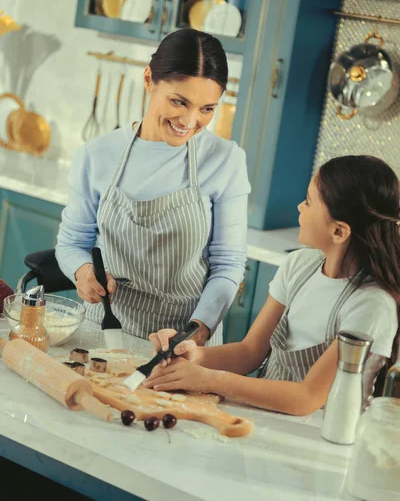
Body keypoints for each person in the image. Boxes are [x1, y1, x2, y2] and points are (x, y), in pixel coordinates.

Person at [145, 155, 400, 415]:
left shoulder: (371, 305)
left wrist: (208, 379)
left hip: (322, 440)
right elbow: (249, 351)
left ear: (339, 231)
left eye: (309, 202)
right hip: (264, 418)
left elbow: (307, 398)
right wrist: (194, 356)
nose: (300, 207)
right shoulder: (299, 266)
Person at [56, 28, 250, 346]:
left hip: (187, 339)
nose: (189, 121)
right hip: (104, 330)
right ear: (149, 80)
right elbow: (71, 243)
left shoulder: (226, 160)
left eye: (207, 109)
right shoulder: (97, 154)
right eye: (178, 101)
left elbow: (228, 265)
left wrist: (195, 333)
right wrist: (82, 272)